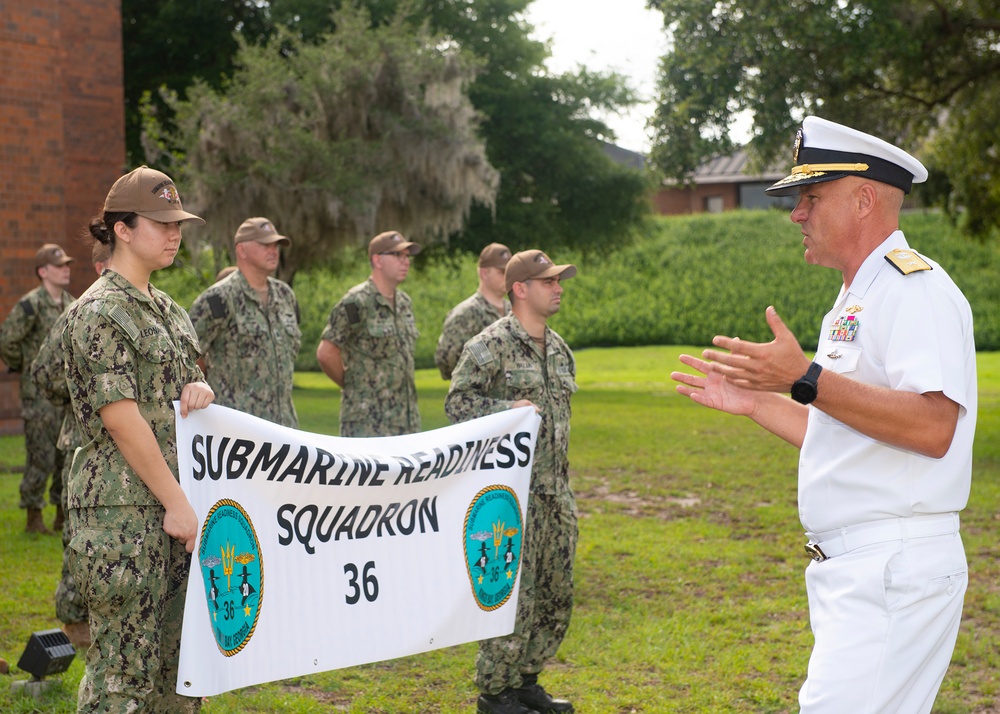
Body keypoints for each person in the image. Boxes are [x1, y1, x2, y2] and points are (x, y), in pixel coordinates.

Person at [671, 116, 976, 714]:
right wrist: (759, 401)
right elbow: (840, 435)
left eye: (811, 197)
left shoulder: (915, 290)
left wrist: (805, 377)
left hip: (892, 566)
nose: (796, 214)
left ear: (864, 200)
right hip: (859, 568)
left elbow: (934, 427)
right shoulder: (855, 298)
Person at [61, 165, 214, 712]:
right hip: (123, 515)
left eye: (179, 223)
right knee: (124, 674)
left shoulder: (170, 311)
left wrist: (198, 390)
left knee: (182, 668)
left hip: (177, 509)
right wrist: (178, 504)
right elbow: (122, 418)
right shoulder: (100, 311)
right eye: (161, 222)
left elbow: (174, 394)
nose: (174, 233)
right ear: (122, 229)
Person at [446, 249, 579, 714]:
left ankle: (526, 681)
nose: (558, 287)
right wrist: (505, 413)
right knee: (512, 596)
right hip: (510, 501)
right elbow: (457, 406)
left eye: (559, 281)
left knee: (554, 593)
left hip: (555, 495)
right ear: (520, 288)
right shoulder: (489, 346)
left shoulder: (559, 349)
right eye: (549, 282)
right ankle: (495, 693)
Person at [29, 241, 111, 649]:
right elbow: (43, 374)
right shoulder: (77, 314)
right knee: (79, 535)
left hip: (127, 449)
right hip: (82, 443)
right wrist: (84, 393)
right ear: (101, 267)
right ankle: (75, 623)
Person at [188, 217, 301, 428]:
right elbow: (190, 359)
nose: (273, 250)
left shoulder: (286, 296)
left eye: (275, 245)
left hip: (285, 429)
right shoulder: (218, 299)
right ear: (242, 250)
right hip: (237, 429)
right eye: (265, 244)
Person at [0, 243, 75, 533]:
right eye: (60, 265)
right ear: (43, 271)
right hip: (38, 397)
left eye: (68, 264)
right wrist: (25, 366)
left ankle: (60, 513)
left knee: (62, 455)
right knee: (40, 455)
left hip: (64, 395)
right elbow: (7, 339)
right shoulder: (30, 304)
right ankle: (33, 514)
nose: (66, 269)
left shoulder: (71, 303)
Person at [316, 230, 421, 437]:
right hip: (368, 422)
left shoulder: (404, 303)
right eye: (397, 255)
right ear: (377, 260)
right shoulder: (357, 301)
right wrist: (353, 384)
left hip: (406, 421)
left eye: (407, 256)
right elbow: (326, 352)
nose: (405, 262)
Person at [434, 242, 512, 380]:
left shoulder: (514, 312)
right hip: (478, 397)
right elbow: (446, 362)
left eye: (509, 272)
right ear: (484, 273)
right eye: (502, 272)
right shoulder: (466, 314)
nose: (507, 277)